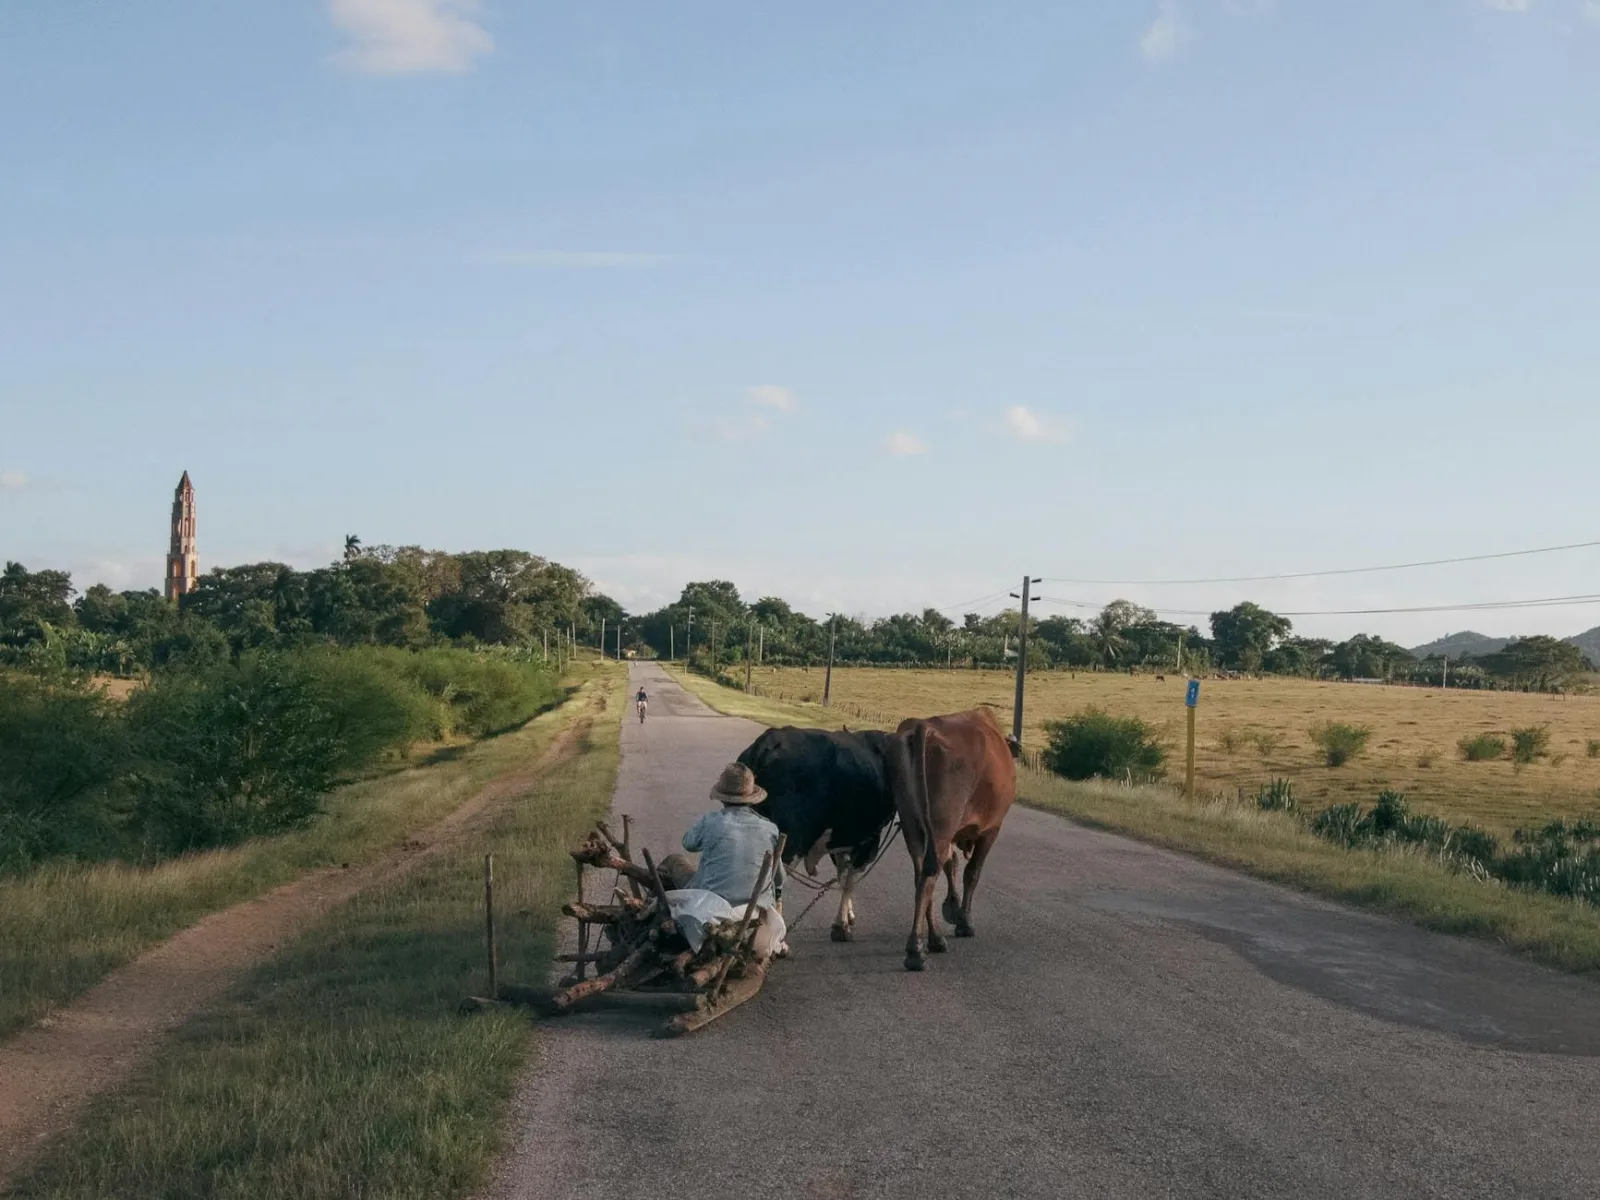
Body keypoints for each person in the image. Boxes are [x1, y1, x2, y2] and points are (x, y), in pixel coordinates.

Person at [682, 763, 788, 957]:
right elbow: (779, 878)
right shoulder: (769, 828)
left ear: (722, 797)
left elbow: (688, 843)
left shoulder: (711, 821)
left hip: (708, 913)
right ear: (751, 797)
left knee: (676, 865)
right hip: (754, 915)